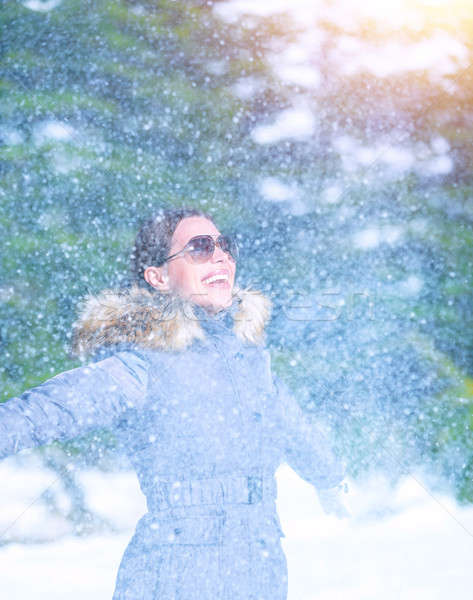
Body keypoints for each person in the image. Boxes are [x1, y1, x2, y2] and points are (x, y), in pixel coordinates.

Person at [0, 207, 348, 599]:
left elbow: (290, 422)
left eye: (224, 246)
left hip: (261, 562)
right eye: (199, 247)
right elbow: (50, 408)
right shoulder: (146, 362)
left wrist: (328, 475)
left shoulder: (249, 356)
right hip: (177, 570)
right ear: (159, 277)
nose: (220, 256)